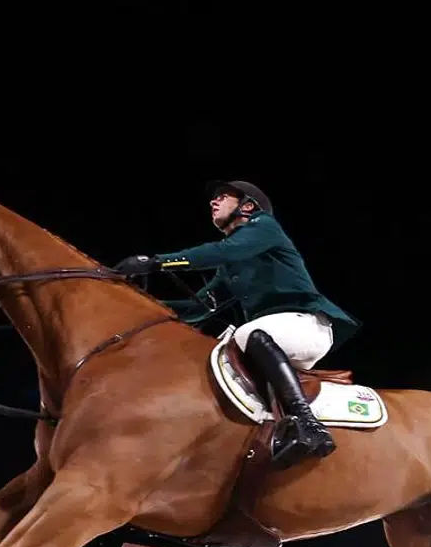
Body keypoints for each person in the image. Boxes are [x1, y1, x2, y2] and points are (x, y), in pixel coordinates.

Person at [113, 179, 360, 469]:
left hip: (306, 325)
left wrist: (156, 262)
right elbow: (199, 308)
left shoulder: (264, 227)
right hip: (276, 336)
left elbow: (220, 251)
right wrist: (138, 303)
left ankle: (309, 425)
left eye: (222, 197)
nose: (212, 203)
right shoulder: (232, 267)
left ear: (247, 206)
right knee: (236, 343)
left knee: (248, 333)